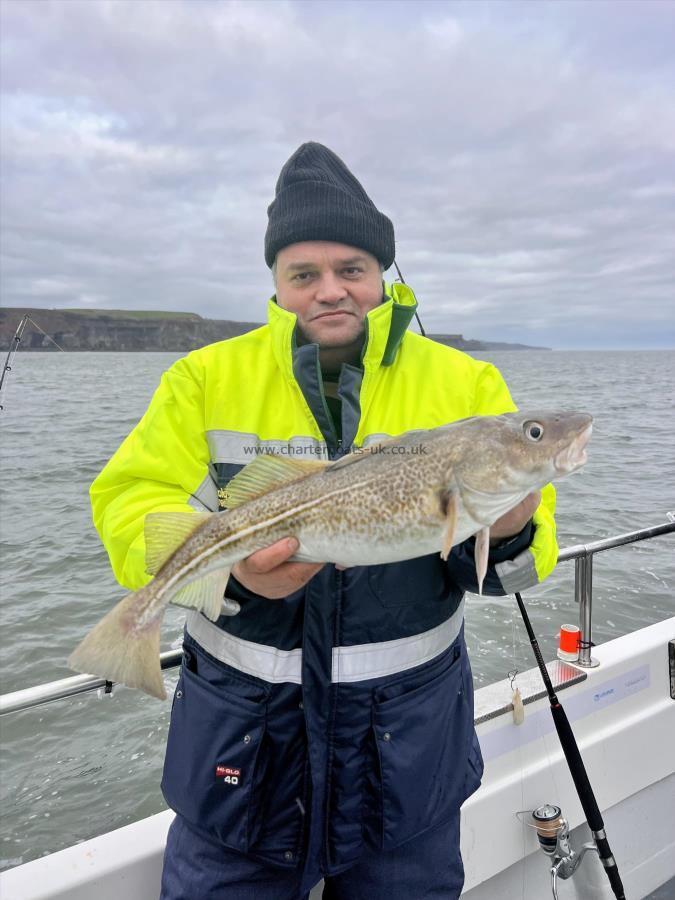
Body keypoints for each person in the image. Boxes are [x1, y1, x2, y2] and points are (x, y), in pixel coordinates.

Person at [90, 142, 557, 899]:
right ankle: (126, 639)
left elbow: (525, 569)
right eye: (303, 275)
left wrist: (506, 532)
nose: (330, 291)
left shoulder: (469, 386)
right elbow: (130, 498)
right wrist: (234, 576)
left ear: (384, 274)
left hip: (407, 754)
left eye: (352, 270)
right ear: (275, 283)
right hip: (242, 751)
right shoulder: (204, 377)